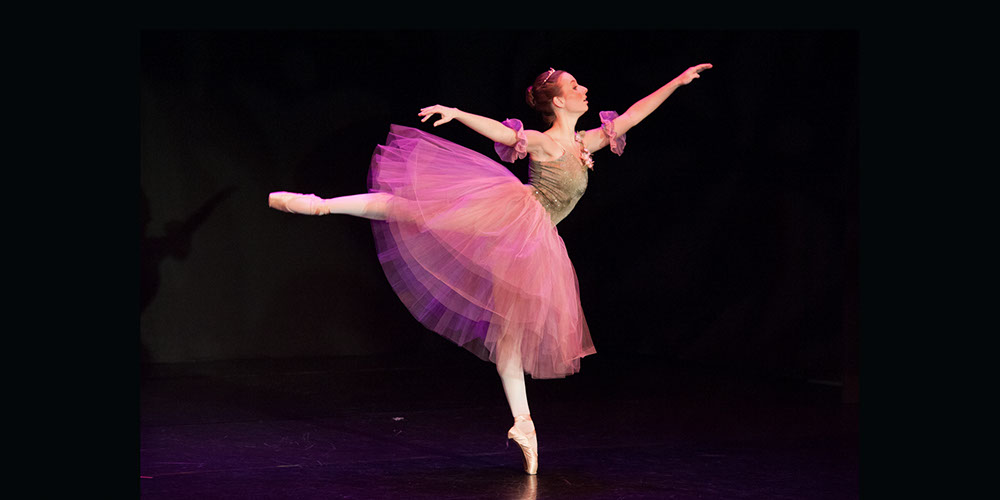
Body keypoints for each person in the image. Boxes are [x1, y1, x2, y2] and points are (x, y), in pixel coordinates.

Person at [268, 63, 712, 474]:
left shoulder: (585, 142)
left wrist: (677, 82)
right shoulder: (544, 141)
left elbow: (633, 115)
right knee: (416, 210)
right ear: (559, 101)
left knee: (510, 340)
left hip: (534, 242)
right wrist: (457, 113)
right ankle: (321, 205)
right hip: (512, 216)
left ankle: (524, 425)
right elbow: (501, 131)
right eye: (575, 86)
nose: (584, 90)